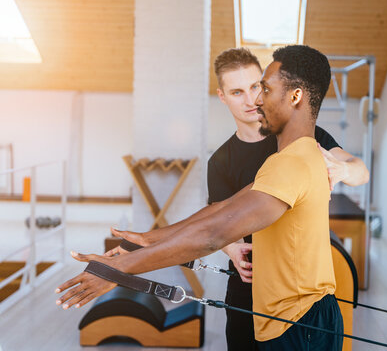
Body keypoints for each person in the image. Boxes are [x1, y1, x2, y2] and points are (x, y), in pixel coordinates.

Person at [56, 45, 345, 350]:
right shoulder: (296, 155)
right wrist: (149, 239)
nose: (257, 100)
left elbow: (213, 234)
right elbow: (223, 209)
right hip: (298, 319)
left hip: (301, 324)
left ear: (296, 96)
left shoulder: (292, 163)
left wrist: (120, 270)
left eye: (266, 89)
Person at [208, 47, 369, 350]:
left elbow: (362, 172)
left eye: (257, 87)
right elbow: (214, 220)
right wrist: (230, 248)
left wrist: (342, 168)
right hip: (248, 287)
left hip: (297, 303)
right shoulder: (219, 161)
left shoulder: (305, 136)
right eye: (237, 92)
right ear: (223, 96)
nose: (250, 100)